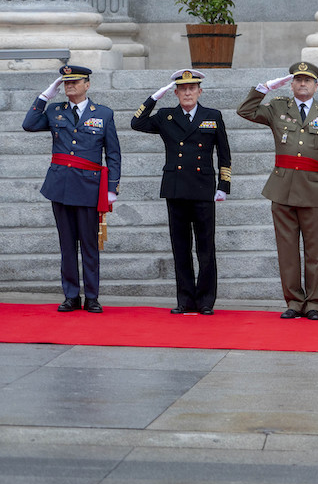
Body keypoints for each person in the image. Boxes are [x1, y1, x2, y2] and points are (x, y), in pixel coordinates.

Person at [238, 62, 318, 320]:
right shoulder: (277, 108)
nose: (303, 84)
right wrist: (263, 89)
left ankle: (314, 303)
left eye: (308, 80)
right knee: (286, 250)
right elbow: (245, 111)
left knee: (314, 251)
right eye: (298, 80)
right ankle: (294, 302)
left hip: (314, 190)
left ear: (316, 85)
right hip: (282, 188)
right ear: (291, 84)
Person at [130, 69, 232, 315]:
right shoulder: (166, 116)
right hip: (176, 189)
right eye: (182, 89)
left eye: (192, 88)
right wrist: (154, 97)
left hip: (203, 188)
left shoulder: (212, 116)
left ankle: (206, 300)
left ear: (200, 91)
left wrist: (223, 185)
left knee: (206, 248)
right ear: (175, 92)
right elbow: (137, 123)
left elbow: (224, 153)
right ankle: (185, 299)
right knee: (181, 247)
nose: (188, 92)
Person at [22, 65, 120, 314]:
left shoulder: (104, 114)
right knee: (67, 244)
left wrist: (112, 188)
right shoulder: (55, 110)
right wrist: (46, 95)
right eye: (65, 83)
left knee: (89, 244)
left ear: (87, 85)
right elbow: (29, 124)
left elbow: (113, 154)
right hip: (61, 186)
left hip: (88, 187)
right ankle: (71, 295)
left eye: (74, 82)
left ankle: (92, 297)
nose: (69, 86)